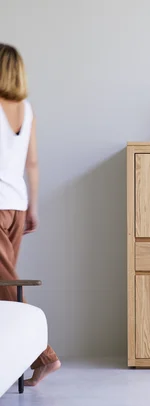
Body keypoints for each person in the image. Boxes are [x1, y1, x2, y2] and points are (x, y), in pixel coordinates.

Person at [0, 43, 61, 386]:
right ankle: (14, 360)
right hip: (17, 206)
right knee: (5, 285)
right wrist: (33, 207)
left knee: (6, 285)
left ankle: (44, 355)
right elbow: (32, 162)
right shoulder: (26, 108)